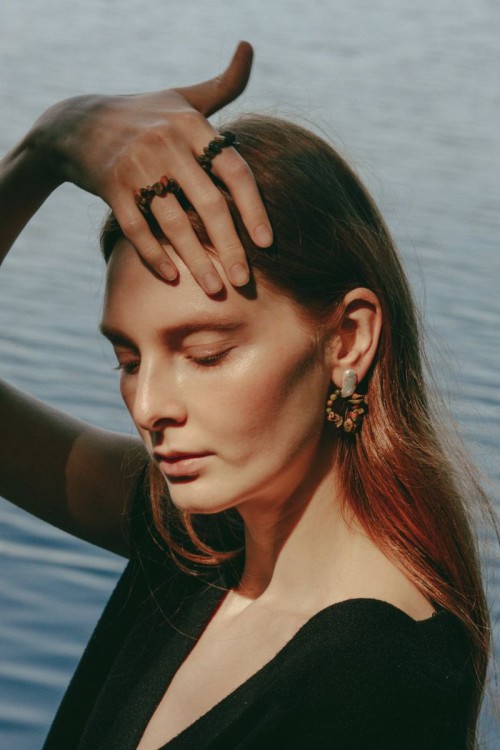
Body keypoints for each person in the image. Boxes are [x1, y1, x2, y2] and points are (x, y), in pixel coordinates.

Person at [0, 42, 493, 749]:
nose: (149, 406)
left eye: (206, 354)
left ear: (348, 339)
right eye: (128, 359)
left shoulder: (377, 691)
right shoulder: (196, 541)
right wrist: (47, 147)